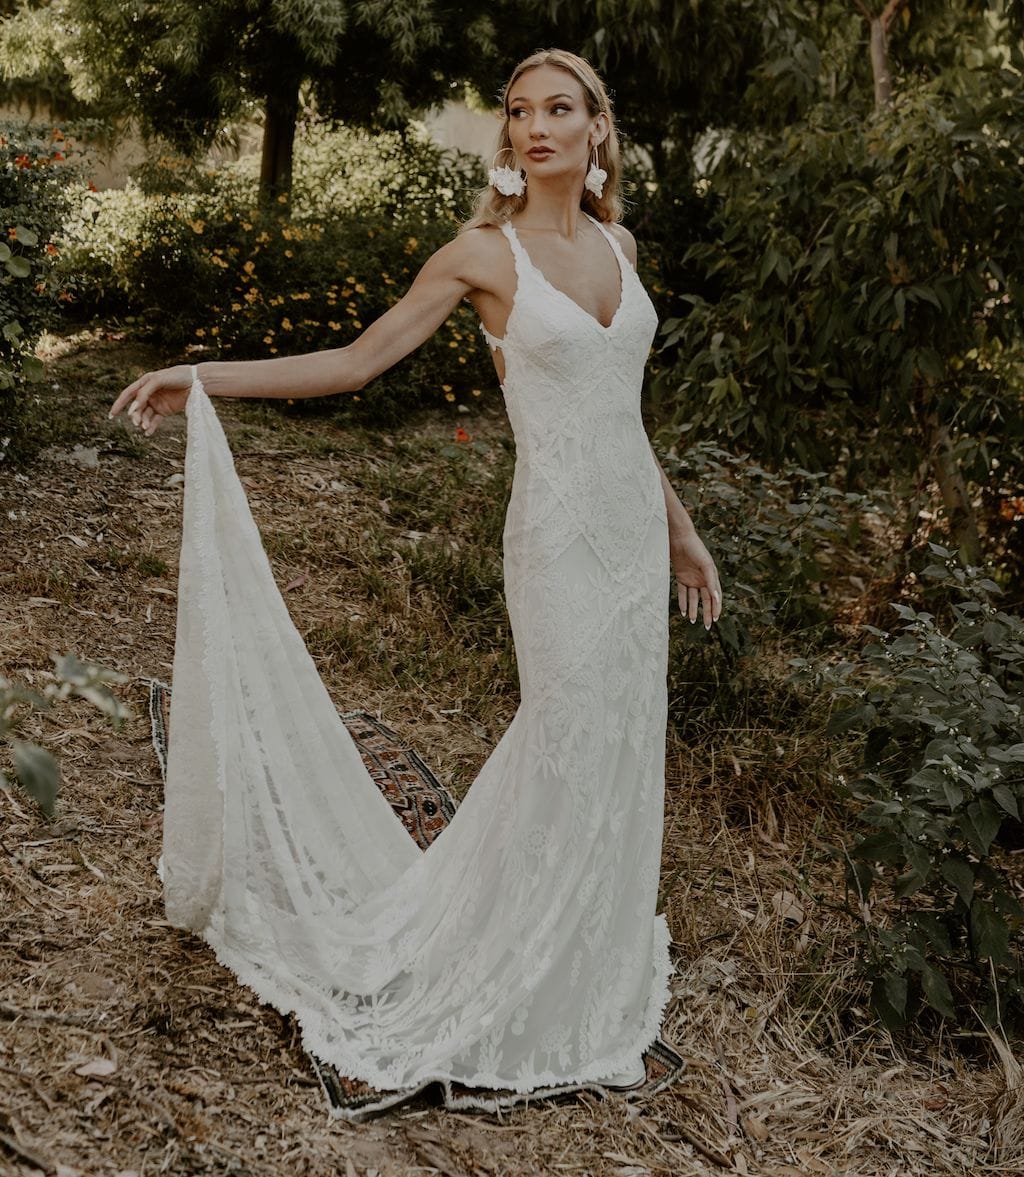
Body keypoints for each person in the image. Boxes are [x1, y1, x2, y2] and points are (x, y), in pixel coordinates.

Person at [110, 49, 722, 1111]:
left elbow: (622, 417)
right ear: (510, 135)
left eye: (560, 108)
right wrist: (200, 375)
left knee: (619, 740)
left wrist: (681, 533)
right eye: (520, 111)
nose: (537, 126)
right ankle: (504, 970)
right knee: (565, 734)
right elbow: (355, 362)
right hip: (556, 539)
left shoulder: (619, 246)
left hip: (630, 533)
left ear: (597, 129)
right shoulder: (483, 255)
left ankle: (582, 971)